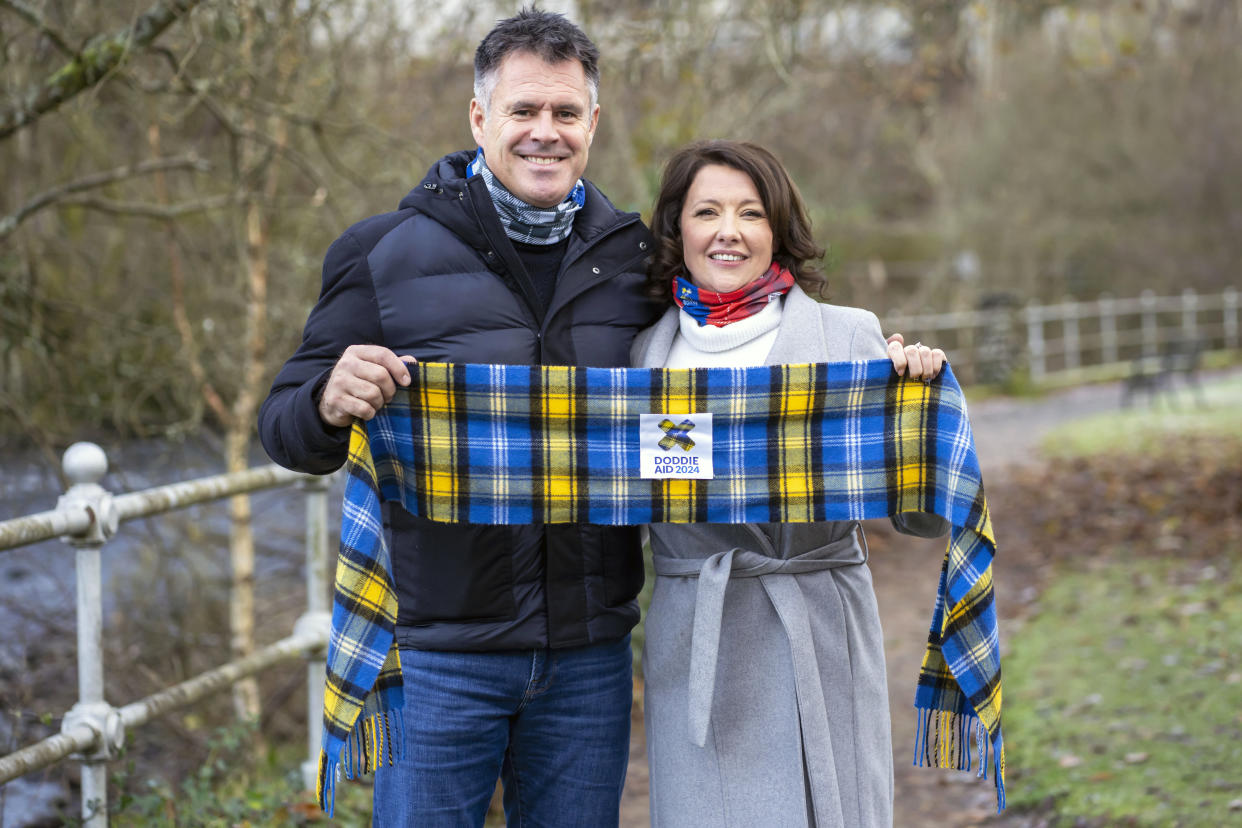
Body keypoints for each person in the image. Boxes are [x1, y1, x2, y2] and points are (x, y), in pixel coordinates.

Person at [258, 9, 663, 826]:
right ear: (479, 117)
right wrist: (326, 402)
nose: (544, 132)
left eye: (564, 112)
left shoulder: (638, 261)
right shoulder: (384, 253)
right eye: (523, 110)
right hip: (440, 657)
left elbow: (742, 361)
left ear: (593, 123)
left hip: (591, 656)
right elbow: (283, 428)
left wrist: (880, 354)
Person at [631, 140, 948, 827]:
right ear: (677, 229)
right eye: (707, 211)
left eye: (751, 213)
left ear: (777, 230)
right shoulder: (642, 356)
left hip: (818, 626)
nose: (728, 231)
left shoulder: (848, 339)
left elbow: (922, 521)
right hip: (698, 642)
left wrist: (917, 409)